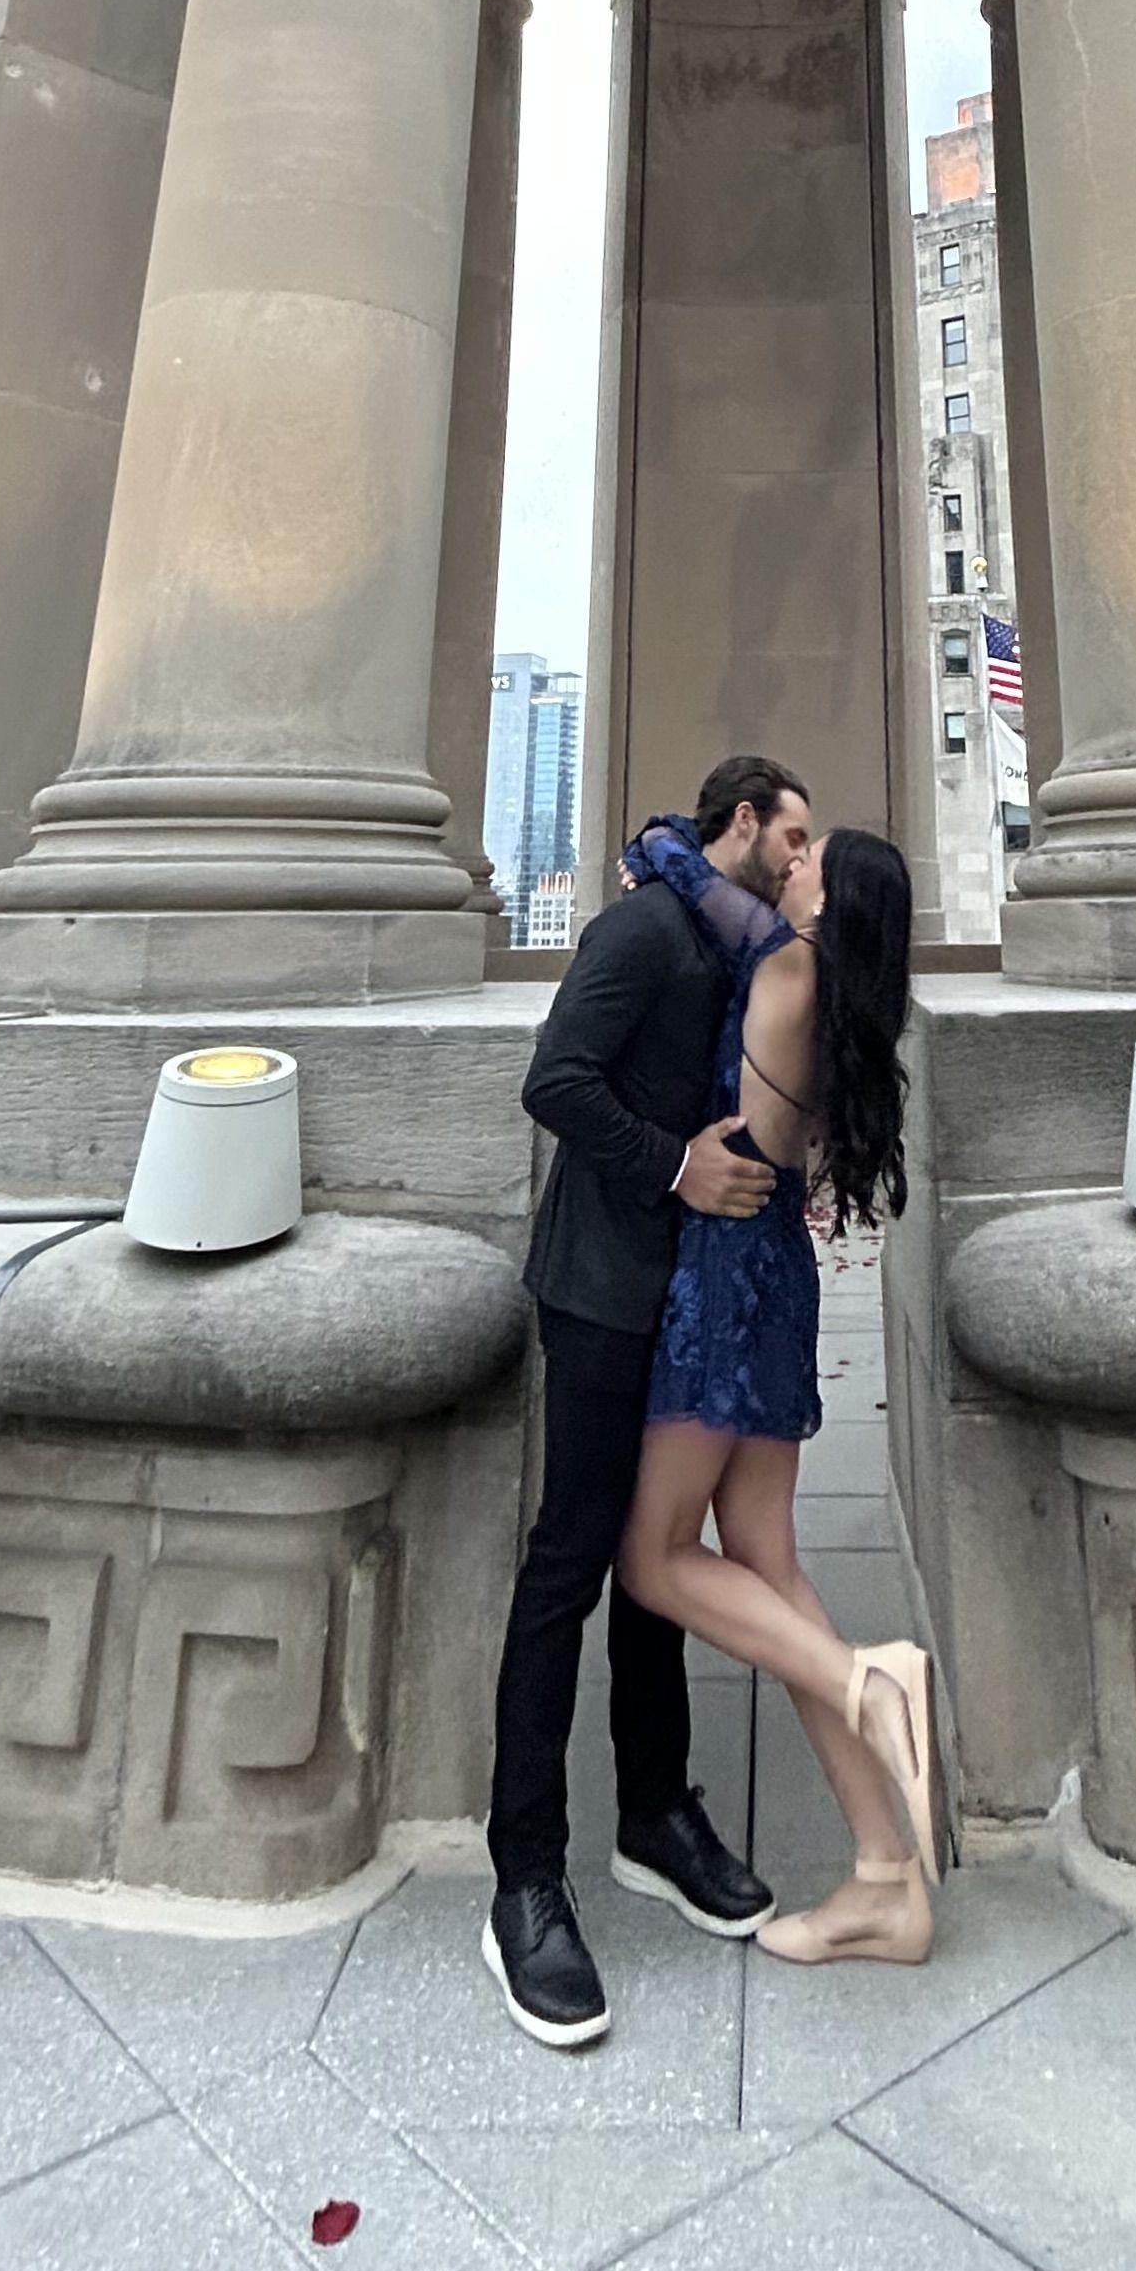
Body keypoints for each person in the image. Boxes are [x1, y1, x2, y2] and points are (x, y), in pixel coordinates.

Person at [482, 754, 813, 2050]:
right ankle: (524, 1876)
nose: (800, 860)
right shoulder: (643, 927)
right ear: (741, 822)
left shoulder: (742, 945)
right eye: (789, 837)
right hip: (603, 1291)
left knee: (657, 1561)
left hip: (691, 1301)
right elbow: (555, 1079)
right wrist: (675, 1166)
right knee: (570, 1563)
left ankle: (655, 1814)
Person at [613, 814, 939, 1968]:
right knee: (767, 1563)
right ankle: (886, 1878)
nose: (790, 864)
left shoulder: (788, 963)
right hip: (776, 1274)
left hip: (720, 1274)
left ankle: (868, 1684)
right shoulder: (834, 991)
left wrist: (663, 843)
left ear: (827, 905)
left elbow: (685, 872)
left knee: (652, 1559)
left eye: (809, 860)